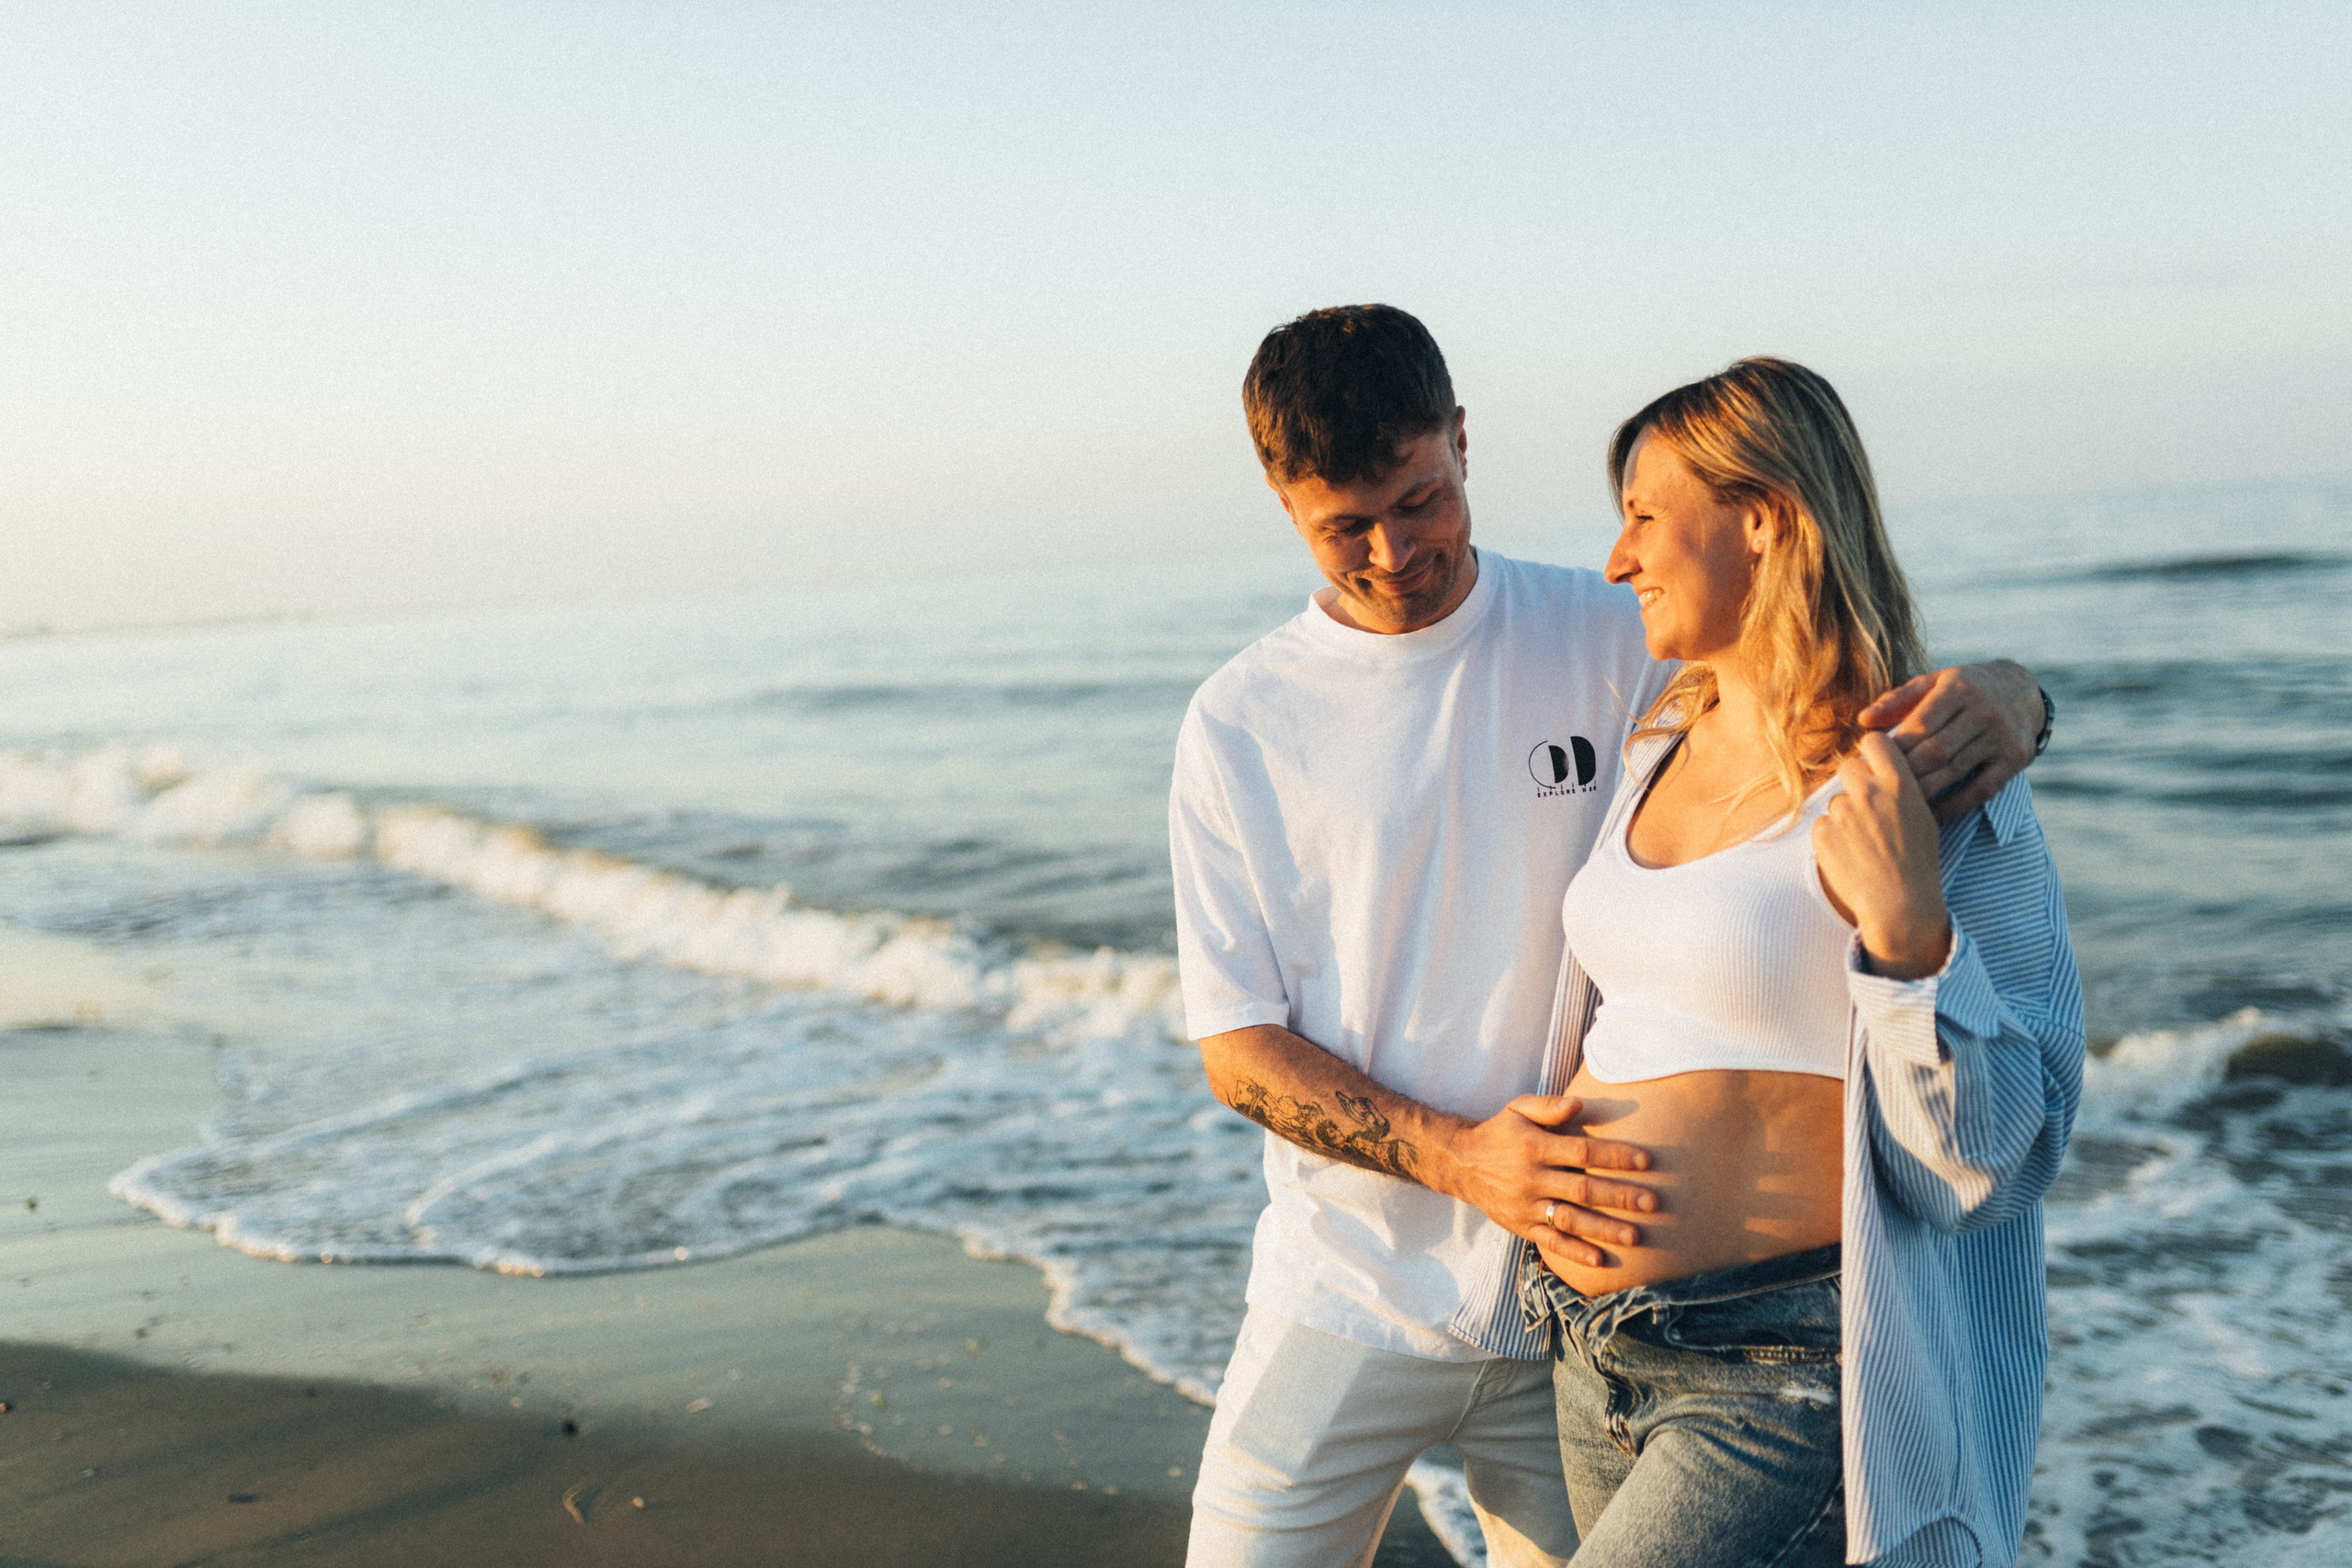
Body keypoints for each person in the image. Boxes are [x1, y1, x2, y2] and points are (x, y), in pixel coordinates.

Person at [1168, 305, 2052, 1567]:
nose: (1392, 550)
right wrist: (1467, 1162)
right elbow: (1238, 1049)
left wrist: (2019, 696)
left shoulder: (1613, 642)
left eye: (1419, 500)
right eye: (1344, 527)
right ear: (1281, 499)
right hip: (1359, 1283)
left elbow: (1804, 679)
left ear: (1462, 442)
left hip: (1581, 1328)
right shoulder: (1240, 723)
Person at [1516, 358, 2084, 1568]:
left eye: (1643, 518)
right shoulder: (1655, 736)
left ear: (1765, 516)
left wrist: (1910, 938)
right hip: (1587, 1341)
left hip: (1777, 1373)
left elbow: (2003, 1154)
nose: (1616, 560)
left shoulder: (1931, 780)